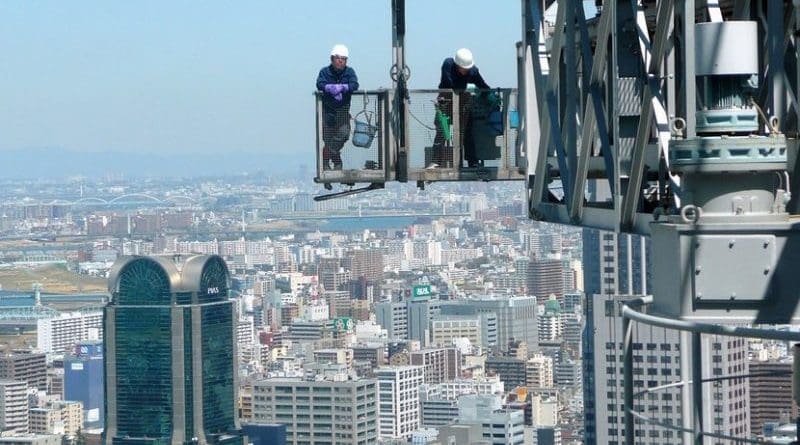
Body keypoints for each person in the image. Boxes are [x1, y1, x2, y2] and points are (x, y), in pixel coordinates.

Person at [432, 48, 490, 168]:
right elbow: (450, 84)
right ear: (457, 65)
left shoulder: (473, 71)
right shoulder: (448, 64)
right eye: (463, 69)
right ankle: (437, 161)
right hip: (445, 102)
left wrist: (489, 94)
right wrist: (471, 88)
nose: (465, 71)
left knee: (467, 132)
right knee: (442, 131)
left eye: (467, 69)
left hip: (463, 104)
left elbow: (483, 85)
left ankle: (472, 161)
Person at [316, 44, 359, 170]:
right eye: (338, 58)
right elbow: (319, 83)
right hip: (328, 111)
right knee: (327, 138)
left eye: (344, 59)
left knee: (344, 134)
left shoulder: (349, 72)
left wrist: (344, 88)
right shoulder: (325, 72)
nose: (341, 61)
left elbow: (354, 84)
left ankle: (330, 158)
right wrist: (328, 88)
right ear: (332, 59)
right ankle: (332, 163)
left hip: (343, 111)